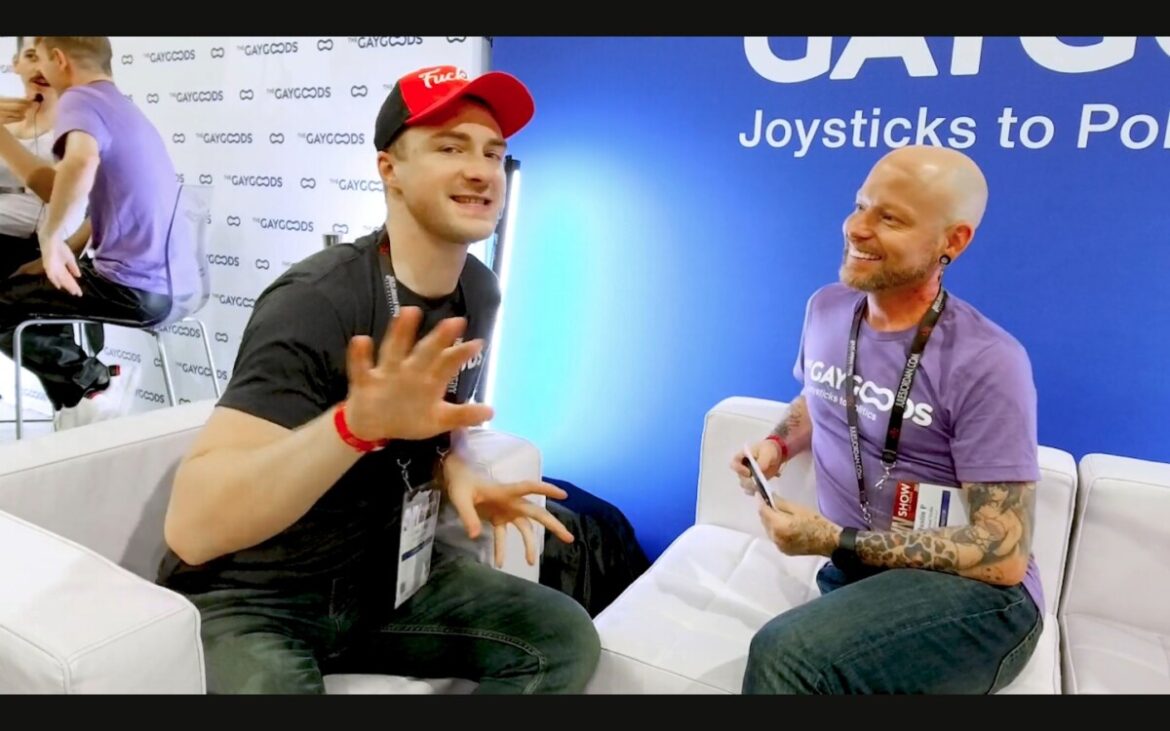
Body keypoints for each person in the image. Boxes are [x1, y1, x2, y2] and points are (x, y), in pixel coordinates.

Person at [157, 64, 601, 694]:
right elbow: (193, 529)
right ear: (390, 169)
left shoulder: (478, 290)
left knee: (562, 638)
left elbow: (432, 428)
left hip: (387, 579)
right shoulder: (316, 299)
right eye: (450, 148)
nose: (481, 171)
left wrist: (455, 467)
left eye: (492, 152)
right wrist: (353, 426)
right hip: (257, 597)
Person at [731, 145, 1043, 694]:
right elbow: (820, 394)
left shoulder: (989, 360)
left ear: (953, 241)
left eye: (890, 218)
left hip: (978, 598)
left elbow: (1003, 554)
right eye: (860, 206)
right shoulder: (827, 308)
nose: (856, 228)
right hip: (860, 575)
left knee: (787, 654)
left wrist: (835, 539)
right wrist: (777, 446)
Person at [0, 36, 185, 428]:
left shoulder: (80, 101)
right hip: (160, 285)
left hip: (134, 289)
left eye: (41, 59)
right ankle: (83, 395)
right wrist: (60, 246)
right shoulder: (116, 105)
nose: (39, 71)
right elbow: (103, 200)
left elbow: (74, 170)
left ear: (59, 60)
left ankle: (89, 385)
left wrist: (50, 240)